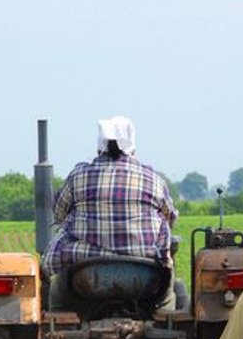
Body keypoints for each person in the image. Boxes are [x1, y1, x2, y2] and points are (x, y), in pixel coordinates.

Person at [42, 116, 177, 309]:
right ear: (132, 146)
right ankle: (165, 319)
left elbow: (59, 214)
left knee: (56, 289)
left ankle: (57, 326)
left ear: (99, 146)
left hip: (85, 270)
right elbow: (170, 217)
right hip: (145, 270)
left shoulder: (79, 175)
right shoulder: (153, 178)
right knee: (168, 295)